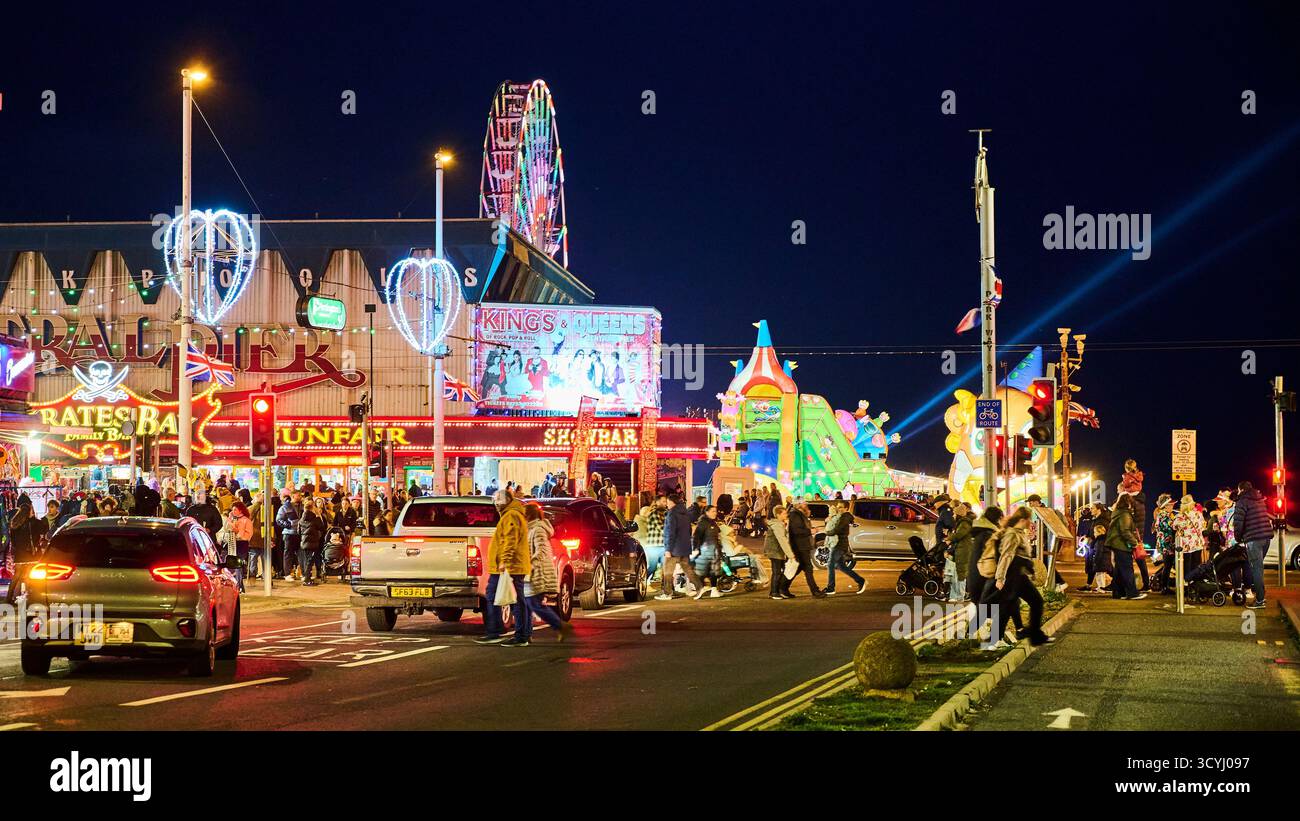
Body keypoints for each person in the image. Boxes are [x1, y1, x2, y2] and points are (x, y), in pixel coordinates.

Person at [989, 507, 1053, 648]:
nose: (1031, 522)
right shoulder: (1013, 534)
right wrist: (1000, 577)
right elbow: (1006, 555)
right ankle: (1032, 635)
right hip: (1013, 575)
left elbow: (1021, 556)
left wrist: (1030, 571)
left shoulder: (1018, 533)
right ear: (1023, 520)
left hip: (1018, 575)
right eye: (1029, 519)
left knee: (1010, 605)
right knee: (1029, 602)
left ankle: (1032, 636)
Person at [475, 489, 531, 646]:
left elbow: (510, 539)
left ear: (505, 502)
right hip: (510, 566)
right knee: (513, 599)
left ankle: (506, 633)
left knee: (506, 599)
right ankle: (512, 633)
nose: (496, 504)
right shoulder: (511, 514)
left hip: (509, 567)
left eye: (498, 501)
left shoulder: (511, 515)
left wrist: (504, 561)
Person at [522, 504, 574, 641]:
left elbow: (542, 551)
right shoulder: (531, 529)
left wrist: (531, 564)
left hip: (537, 573)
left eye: (523, 514)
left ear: (528, 515)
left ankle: (560, 626)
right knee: (527, 604)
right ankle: (525, 635)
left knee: (533, 604)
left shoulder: (538, 529)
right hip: (532, 573)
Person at [1232, 480, 1273, 608]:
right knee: (1259, 569)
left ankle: (1260, 600)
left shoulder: (1242, 502)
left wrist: (1238, 538)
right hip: (1266, 538)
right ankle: (1261, 596)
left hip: (1253, 539)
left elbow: (1238, 523)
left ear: (1241, 490)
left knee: (1256, 569)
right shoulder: (1259, 500)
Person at [657, 493, 701, 599]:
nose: (667, 504)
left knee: (668, 571)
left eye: (668, 502)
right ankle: (700, 587)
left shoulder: (672, 514)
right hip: (684, 547)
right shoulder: (685, 513)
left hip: (674, 548)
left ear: (672, 502)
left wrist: (668, 549)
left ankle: (667, 593)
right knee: (688, 569)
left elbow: (670, 532)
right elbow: (689, 530)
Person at [1105, 494, 1145, 600]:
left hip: (1116, 544)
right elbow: (1125, 531)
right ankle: (1132, 593)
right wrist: (1134, 543)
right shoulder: (1125, 514)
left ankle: (1118, 593)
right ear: (1128, 503)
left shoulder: (1118, 513)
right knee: (1127, 569)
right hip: (1121, 545)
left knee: (1119, 570)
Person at [823, 500, 866, 595]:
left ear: (846, 508)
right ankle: (860, 580)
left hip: (839, 544)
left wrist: (828, 532)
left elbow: (838, 529)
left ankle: (831, 588)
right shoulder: (841, 516)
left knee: (830, 564)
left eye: (840, 507)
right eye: (837, 507)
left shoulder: (845, 517)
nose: (838, 509)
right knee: (841, 566)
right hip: (839, 543)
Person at [785, 500, 826, 598]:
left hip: (802, 545)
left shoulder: (799, 514)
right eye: (804, 503)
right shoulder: (795, 515)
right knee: (808, 568)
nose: (806, 505)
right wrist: (810, 531)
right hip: (800, 546)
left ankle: (783, 587)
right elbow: (796, 531)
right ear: (798, 505)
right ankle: (815, 591)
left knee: (799, 568)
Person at [763, 505, 797, 599]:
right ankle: (774, 592)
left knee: (781, 571)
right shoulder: (777, 525)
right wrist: (790, 554)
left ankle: (779, 591)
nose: (786, 515)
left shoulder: (780, 524)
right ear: (778, 515)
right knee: (777, 572)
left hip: (777, 551)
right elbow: (782, 540)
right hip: (775, 551)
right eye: (784, 513)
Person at [690, 505, 724, 599]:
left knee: (713, 571)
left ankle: (714, 590)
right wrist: (696, 549)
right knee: (701, 571)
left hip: (714, 550)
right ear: (707, 512)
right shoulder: (703, 523)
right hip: (705, 551)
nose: (715, 513)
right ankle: (701, 589)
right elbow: (697, 537)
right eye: (713, 511)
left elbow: (717, 535)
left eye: (715, 511)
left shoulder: (713, 522)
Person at [948, 501, 975, 602]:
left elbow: (959, 535)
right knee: (959, 573)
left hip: (964, 550)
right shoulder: (962, 523)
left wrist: (949, 537)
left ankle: (960, 596)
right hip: (961, 549)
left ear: (958, 514)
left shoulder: (964, 523)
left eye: (954, 514)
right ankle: (958, 596)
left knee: (961, 574)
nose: (953, 516)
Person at [227, 501, 254, 592]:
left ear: (240, 510)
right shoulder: (233, 519)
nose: (233, 511)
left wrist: (238, 532)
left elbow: (248, 535)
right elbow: (227, 528)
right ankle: (239, 585)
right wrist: (229, 519)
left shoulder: (246, 520)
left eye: (235, 509)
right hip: (233, 543)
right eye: (232, 510)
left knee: (238, 565)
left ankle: (239, 586)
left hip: (242, 544)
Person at [277, 492, 304, 580]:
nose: (300, 497)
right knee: (288, 554)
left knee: (301, 554)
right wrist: (288, 525)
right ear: (293, 496)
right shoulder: (285, 507)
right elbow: (279, 520)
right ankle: (287, 574)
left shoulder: (302, 506)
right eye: (298, 495)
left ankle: (303, 573)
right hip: (289, 533)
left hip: (300, 533)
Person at [297, 502, 325, 586]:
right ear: (312, 508)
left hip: (304, 543)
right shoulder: (315, 519)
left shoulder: (301, 520)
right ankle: (307, 580)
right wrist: (318, 515)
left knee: (306, 561)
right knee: (310, 562)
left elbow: (298, 532)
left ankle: (307, 577)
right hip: (312, 543)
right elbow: (322, 527)